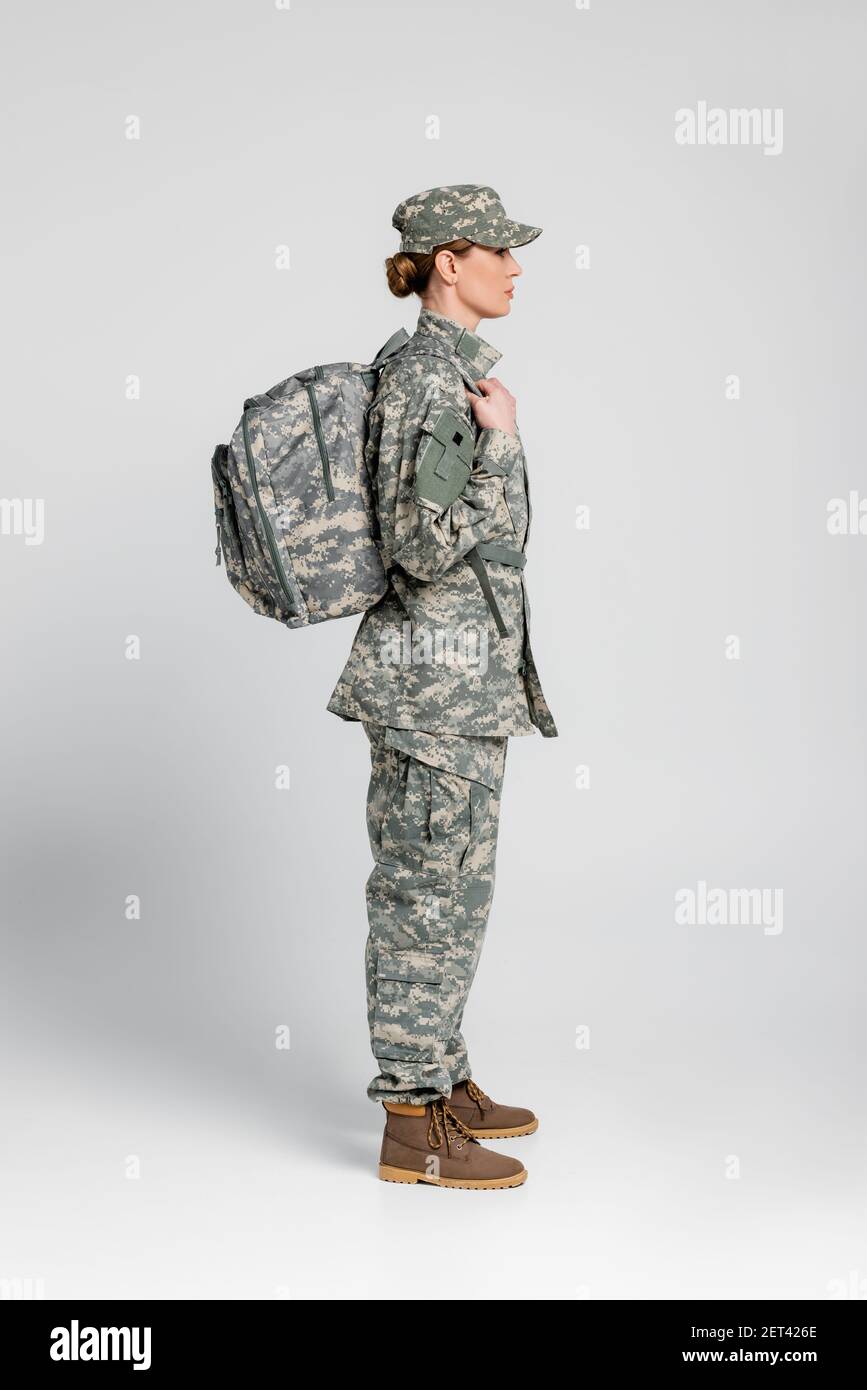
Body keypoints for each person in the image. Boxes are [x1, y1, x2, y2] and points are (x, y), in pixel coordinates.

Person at [326, 184, 558, 1189]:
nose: (515, 267)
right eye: (496, 250)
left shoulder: (445, 372)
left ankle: (445, 1074)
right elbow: (421, 545)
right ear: (445, 263)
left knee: (453, 894)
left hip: (458, 684)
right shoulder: (429, 381)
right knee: (425, 898)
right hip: (432, 687)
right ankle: (411, 1121)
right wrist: (503, 445)